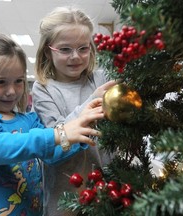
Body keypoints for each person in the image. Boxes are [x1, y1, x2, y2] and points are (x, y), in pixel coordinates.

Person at [0, 32, 104, 216]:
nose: (11, 91)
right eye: (0, 82)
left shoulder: (29, 120)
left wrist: (79, 133)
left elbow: (51, 154)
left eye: (19, 81)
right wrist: (59, 134)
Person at [32, 6, 117, 216]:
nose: (75, 56)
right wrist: (94, 100)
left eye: (83, 48)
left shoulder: (100, 78)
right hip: (64, 195)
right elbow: (58, 137)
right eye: (65, 49)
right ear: (47, 51)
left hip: (108, 187)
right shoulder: (43, 88)